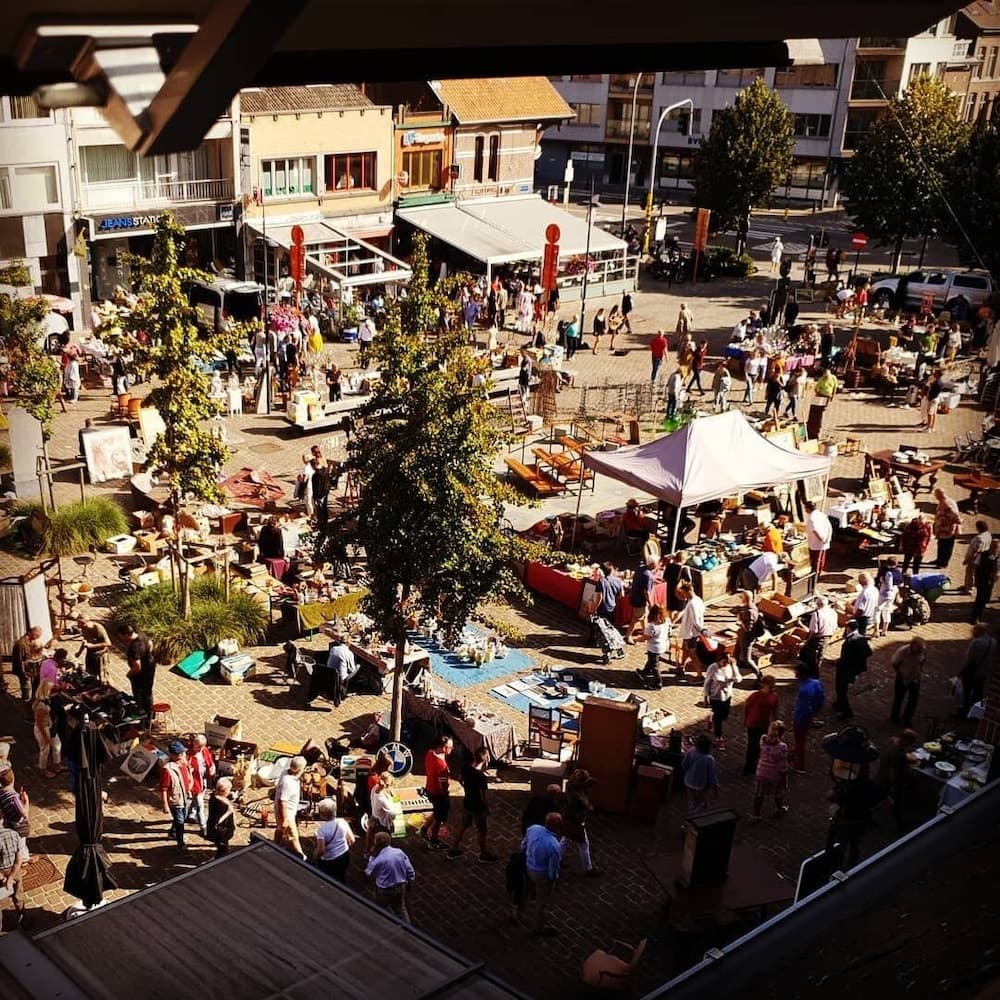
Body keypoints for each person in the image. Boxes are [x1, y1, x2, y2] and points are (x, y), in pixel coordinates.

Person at [446, 747, 498, 863]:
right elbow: (483, 796)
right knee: (482, 831)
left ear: (474, 756)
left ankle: (453, 850)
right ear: (486, 760)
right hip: (478, 807)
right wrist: (486, 807)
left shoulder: (465, 768)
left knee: (463, 826)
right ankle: (483, 854)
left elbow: (460, 779)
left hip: (467, 802)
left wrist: (467, 788)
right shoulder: (481, 777)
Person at [827, 767, 880, 868]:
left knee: (840, 846)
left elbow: (831, 796)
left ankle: (836, 868)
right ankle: (851, 868)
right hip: (861, 820)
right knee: (855, 846)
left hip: (846, 819)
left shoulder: (848, 784)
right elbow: (874, 803)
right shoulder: (870, 785)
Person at [519, 812, 563, 935]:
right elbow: (553, 869)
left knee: (525, 892)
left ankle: (517, 913)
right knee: (541, 902)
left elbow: (523, 845)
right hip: (541, 875)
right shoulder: (554, 845)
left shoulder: (533, 829)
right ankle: (538, 928)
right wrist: (553, 880)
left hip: (528, 867)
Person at [365, 832, 415, 923]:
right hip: (400, 887)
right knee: (400, 907)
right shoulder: (399, 852)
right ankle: (406, 926)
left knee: (380, 908)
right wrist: (410, 882)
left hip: (384, 890)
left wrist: (372, 856)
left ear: (377, 844)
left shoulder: (378, 859)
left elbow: (369, 873)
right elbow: (410, 870)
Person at [560, 768, 602, 876]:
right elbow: (587, 806)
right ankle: (588, 868)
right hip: (576, 820)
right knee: (584, 844)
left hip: (567, 817)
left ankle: (558, 859)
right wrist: (589, 806)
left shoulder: (570, 786)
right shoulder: (578, 797)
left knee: (565, 839)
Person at [876, 729, 918, 834]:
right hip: (889, 781)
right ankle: (900, 825)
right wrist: (894, 787)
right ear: (905, 740)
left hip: (881, 775)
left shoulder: (892, 742)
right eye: (910, 743)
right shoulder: (897, 753)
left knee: (880, 795)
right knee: (895, 802)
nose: (911, 745)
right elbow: (893, 772)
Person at [419, 735, 453, 850]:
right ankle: (433, 841)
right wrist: (445, 794)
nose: (451, 749)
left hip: (429, 788)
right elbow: (443, 786)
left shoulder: (430, 753)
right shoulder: (442, 765)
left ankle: (424, 829)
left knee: (436, 812)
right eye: (449, 747)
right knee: (439, 818)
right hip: (438, 794)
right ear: (443, 747)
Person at [703, 653, 742, 750]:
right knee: (718, 718)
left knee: (724, 716)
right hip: (715, 697)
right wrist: (705, 697)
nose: (725, 664)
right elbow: (707, 683)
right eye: (724, 662)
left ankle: (711, 719)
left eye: (727, 663)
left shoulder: (731, 667)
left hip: (727, 696)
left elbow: (738, 679)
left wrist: (733, 666)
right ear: (719, 660)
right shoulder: (713, 668)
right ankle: (719, 738)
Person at [834, 620, 872, 720]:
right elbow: (869, 652)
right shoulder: (860, 637)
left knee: (841, 688)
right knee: (842, 687)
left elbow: (850, 655)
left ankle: (846, 711)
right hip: (850, 667)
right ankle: (839, 702)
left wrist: (851, 661)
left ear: (848, 628)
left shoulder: (853, 640)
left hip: (846, 668)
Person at [752, 720, 789, 819]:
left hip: (761, 771)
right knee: (778, 793)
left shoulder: (762, 739)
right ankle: (779, 809)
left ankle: (756, 814)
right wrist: (784, 776)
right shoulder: (782, 747)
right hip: (775, 773)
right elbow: (783, 764)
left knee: (759, 794)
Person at [743, 675, 779, 775]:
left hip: (764, 723)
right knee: (752, 745)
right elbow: (747, 708)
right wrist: (746, 720)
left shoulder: (774, 696)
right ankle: (749, 767)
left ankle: (756, 765)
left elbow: (775, 710)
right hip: (753, 723)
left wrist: (775, 723)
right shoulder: (755, 695)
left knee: (760, 745)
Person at [313, 797, 356, 883]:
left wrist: (315, 855)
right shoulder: (342, 822)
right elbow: (352, 840)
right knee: (341, 877)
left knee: (327, 879)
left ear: (322, 815)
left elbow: (321, 850)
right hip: (344, 856)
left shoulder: (322, 831)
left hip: (330, 860)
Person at [792, 664, 825, 772]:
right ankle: (795, 753)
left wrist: (799, 716)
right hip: (809, 716)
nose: (795, 675)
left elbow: (804, 707)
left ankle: (799, 765)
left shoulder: (804, 690)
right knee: (801, 738)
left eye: (797, 673)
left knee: (800, 741)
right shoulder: (816, 682)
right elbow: (821, 698)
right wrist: (814, 712)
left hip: (801, 717)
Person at [160, 741, 193, 851]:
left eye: (183, 753)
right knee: (180, 822)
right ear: (172, 755)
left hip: (184, 797)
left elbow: (187, 778)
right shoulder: (167, 769)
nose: (183, 755)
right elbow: (164, 788)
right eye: (180, 753)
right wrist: (165, 804)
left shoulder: (184, 764)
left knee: (183, 817)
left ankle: (172, 832)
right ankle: (180, 843)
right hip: (175, 800)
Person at [118, 623, 155, 719]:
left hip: (140, 675)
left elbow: (137, 666)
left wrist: (129, 674)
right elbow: (150, 643)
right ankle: (151, 714)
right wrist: (147, 655)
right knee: (148, 692)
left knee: (140, 695)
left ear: (126, 635)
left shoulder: (134, 648)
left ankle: (144, 716)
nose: (121, 638)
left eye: (121, 636)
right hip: (150, 668)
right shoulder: (142, 636)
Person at [274, 756, 307, 860]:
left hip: (284, 810)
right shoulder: (289, 783)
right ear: (299, 769)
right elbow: (282, 802)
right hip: (286, 813)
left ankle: (275, 845)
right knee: (293, 836)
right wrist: (285, 819)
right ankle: (302, 857)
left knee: (280, 828)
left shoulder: (286, 772)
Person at [889, 635, 925, 727]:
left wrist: (919, 672)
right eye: (919, 648)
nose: (920, 650)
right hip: (903, 678)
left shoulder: (922, 651)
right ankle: (894, 717)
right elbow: (894, 663)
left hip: (915, 678)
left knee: (913, 700)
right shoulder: (902, 652)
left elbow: (922, 661)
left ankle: (907, 718)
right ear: (913, 645)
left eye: (921, 648)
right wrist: (900, 674)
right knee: (899, 699)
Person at [961, 621, 996, 715]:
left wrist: (963, 669)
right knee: (978, 692)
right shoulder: (993, 642)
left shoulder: (977, 642)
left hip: (972, 670)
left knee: (967, 691)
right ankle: (975, 712)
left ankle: (965, 710)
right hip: (983, 671)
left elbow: (971, 658)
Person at [682, 733, 719, 813]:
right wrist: (713, 786)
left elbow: (684, 764)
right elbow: (711, 775)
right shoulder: (709, 759)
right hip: (700, 784)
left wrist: (688, 773)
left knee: (691, 797)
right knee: (700, 799)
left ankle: (691, 808)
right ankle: (699, 809)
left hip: (688, 781)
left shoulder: (691, 751)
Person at [675, 581, 705, 680]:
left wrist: (701, 630)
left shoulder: (692, 604)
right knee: (684, 648)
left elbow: (696, 621)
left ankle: (700, 675)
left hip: (691, 633)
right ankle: (681, 667)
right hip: (689, 632)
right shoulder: (698, 600)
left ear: (688, 591)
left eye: (683, 593)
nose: (682, 596)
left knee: (692, 654)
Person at [186, 734, 215, 837]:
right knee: (200, 806)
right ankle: (203, 827)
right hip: (195, 784)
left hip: (203, 781)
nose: (200, 749)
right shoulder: (188, 755)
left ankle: (190, 814)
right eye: (198, 747)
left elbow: (210, 760)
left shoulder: (204, 750)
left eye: (202, 747)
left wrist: (212, 767)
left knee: (197, 801)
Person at [32, 680, 61, 779]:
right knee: (45, 750)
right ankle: (43, 770)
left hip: (49, 726)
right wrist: (45, 737)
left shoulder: (44, 700)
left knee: (57, 745)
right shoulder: (41, 705)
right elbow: (40, 724)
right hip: (43, 729)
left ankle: (57, 765)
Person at [626, 555, 657, 645]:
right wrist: (650, 603)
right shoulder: (648, 576)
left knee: (644, 615)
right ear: (652, 564)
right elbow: (646, 592)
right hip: (640, 600)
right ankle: (628, 636)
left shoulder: (640, 568)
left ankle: (645, 632)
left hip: (635, 596)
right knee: (636, 619)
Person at [589, 562, 624, 642]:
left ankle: (593, 640)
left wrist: (594, 608)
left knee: (596, 624)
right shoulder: (618, 581)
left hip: (602, 607)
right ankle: (609, 640)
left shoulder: (601, 582)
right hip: (612, 606)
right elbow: (621, 595)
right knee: (609, 626)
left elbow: (599, 597)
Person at [735, 589, 764, 680]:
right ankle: (736, 669)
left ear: (745, 598)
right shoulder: (752, 606)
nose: (740, 598)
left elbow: (748, 628)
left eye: (741, 597)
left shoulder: (749, 612)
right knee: (736, 653)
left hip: (746, 637)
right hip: (742, 635)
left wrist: (740, 619)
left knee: (747, 659)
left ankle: (759, 674)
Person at [638, 604, 669, 690]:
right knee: (651, 660)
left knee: (655, 665)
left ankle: (658, 683)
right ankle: (645, 672)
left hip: (654, 647)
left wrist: (637, 640)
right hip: (662, 644)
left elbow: (646, 637)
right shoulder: (666, 621)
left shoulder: (652, 626)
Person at [932, 489, 962, 569]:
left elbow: (956, 516)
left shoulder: (948, 504)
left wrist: (949, 522)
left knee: (947, 546)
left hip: (947, 530)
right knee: (941, 545)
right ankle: (939, 560)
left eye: (936, 495)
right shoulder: (943, 502)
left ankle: (944, 563)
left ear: (939, 495)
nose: (935, 497)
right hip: (942, 530)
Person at [206, 776, 236, 858]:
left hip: (219, 830)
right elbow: (218, 821)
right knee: (223, 850)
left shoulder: (214, 796)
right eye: (229, 790)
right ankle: (219, 860)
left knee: (224, 847)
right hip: (221, 832)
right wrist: (229, 812)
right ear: (224, 791)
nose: (229, 791)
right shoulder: (220, 804)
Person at [972, 538, 1000, 621]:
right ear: (990, 546)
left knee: (985, 598)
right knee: (979, 598)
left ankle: (980, 612)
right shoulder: (983, 555)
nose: (995, 548)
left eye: (997, 547)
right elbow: (976, 566)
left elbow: (998, 569)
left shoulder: (998, 557)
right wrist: (975, 579)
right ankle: (975, 617)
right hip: (982, 579)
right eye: (994, 546)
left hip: (990, 581)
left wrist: (996, 576)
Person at [804, 500, 833, 580]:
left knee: (815, 561)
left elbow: (815, 530)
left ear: (808, 509)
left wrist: (822, 539)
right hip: (823, 540)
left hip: (816, 543)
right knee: (821, 559)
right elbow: (829, 527)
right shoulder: (822, 515)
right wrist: (827, 538)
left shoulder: (812, 518)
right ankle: (818, 573)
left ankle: (815, 576)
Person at [963, 520, 993, 594]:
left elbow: (976, 551)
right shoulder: (988, 535)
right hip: (982, 558)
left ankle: (969, 588)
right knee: (974, 572)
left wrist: (967, 559)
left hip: (975, 559)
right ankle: (968, 585)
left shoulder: (979, 538)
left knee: (970, 572)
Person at [875, 559, 902, 638]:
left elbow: (889, 585)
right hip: (893, 594)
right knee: (887, 611)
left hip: (884, 594)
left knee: (877, 611)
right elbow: (901, 583)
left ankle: (876, 630)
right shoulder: (897, 572)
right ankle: (884, 630)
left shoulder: (889, 573)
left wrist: (882, 580)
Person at [851, 572, 879, 636]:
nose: (859, 583)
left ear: (863, 581)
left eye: (860, 581)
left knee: (860, 635)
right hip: (870, 615)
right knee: (862, 634)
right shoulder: (875, 590)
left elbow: (861, 609)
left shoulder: (865, 592)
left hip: (862, 618)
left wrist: (854, 617)